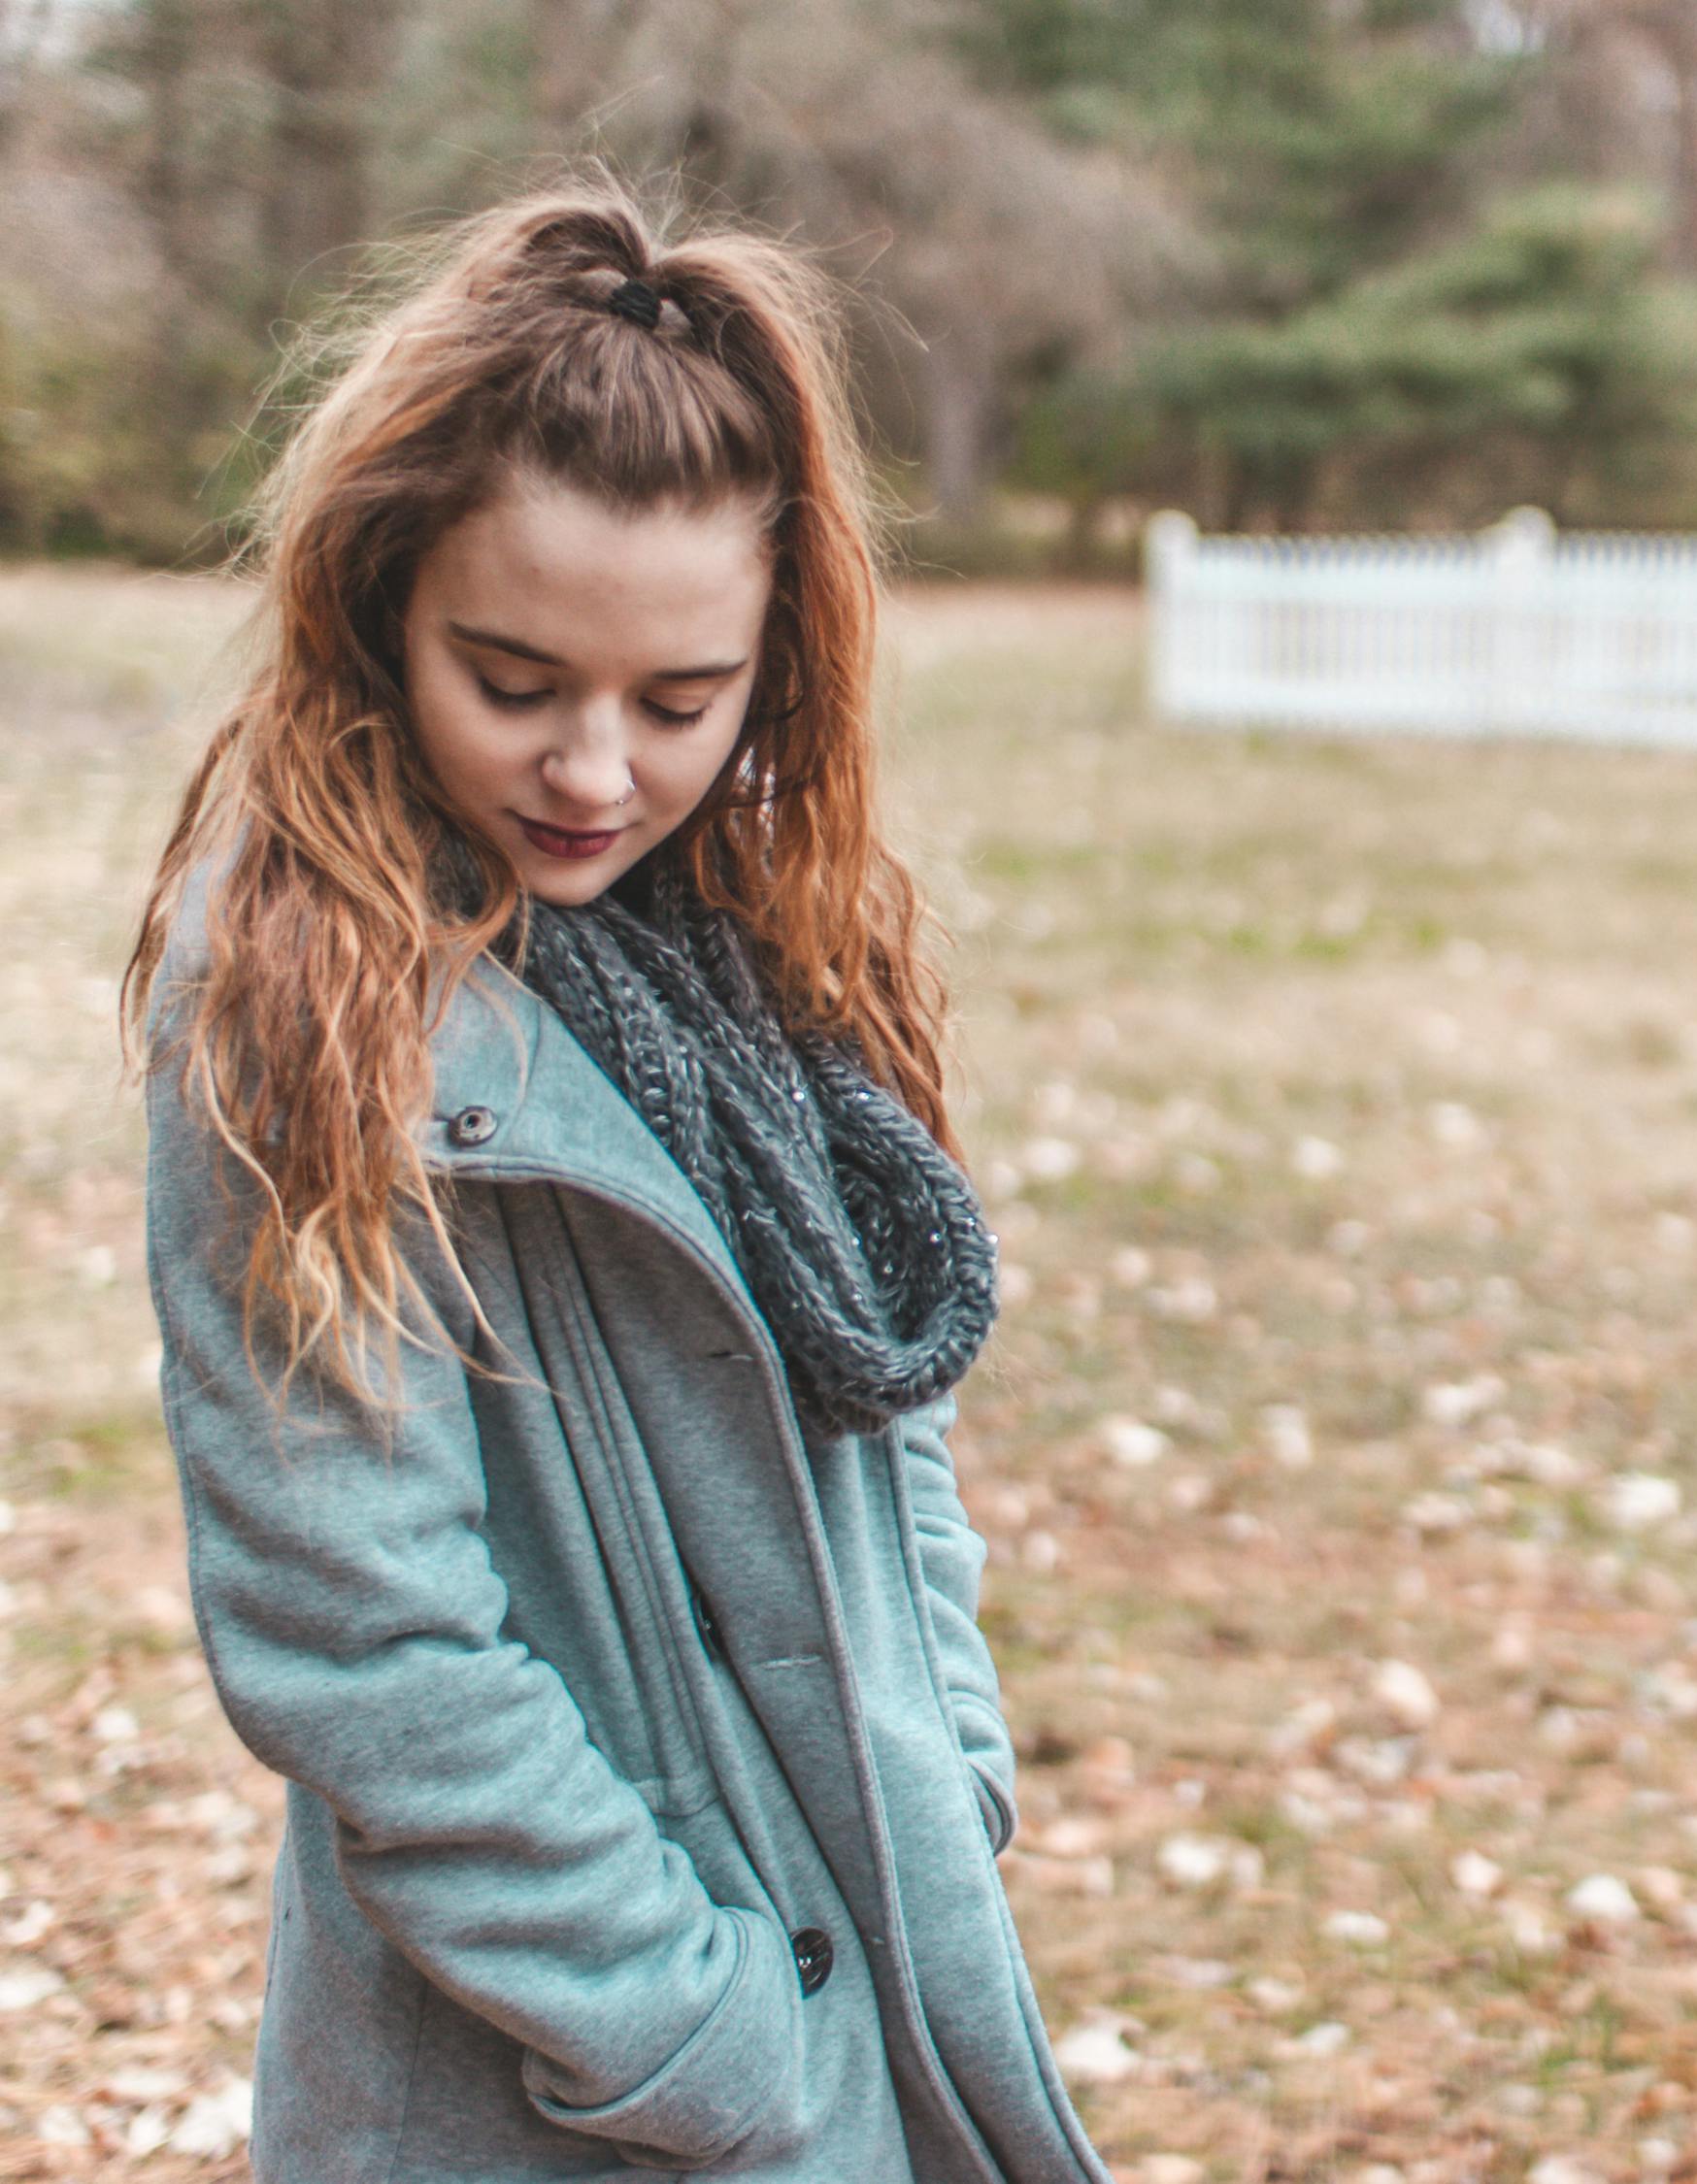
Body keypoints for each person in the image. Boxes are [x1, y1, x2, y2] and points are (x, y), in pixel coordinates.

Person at [120, 171, 1113, 2184]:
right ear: (382, 598)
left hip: (873, 1957)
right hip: (566, 2075)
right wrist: (696, 2041)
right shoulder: (306, 999)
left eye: (679, 701)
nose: (595, 773)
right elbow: (362, 1638)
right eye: (515, 679)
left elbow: (877, 1408)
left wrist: (953, 1764)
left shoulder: (756, 938)